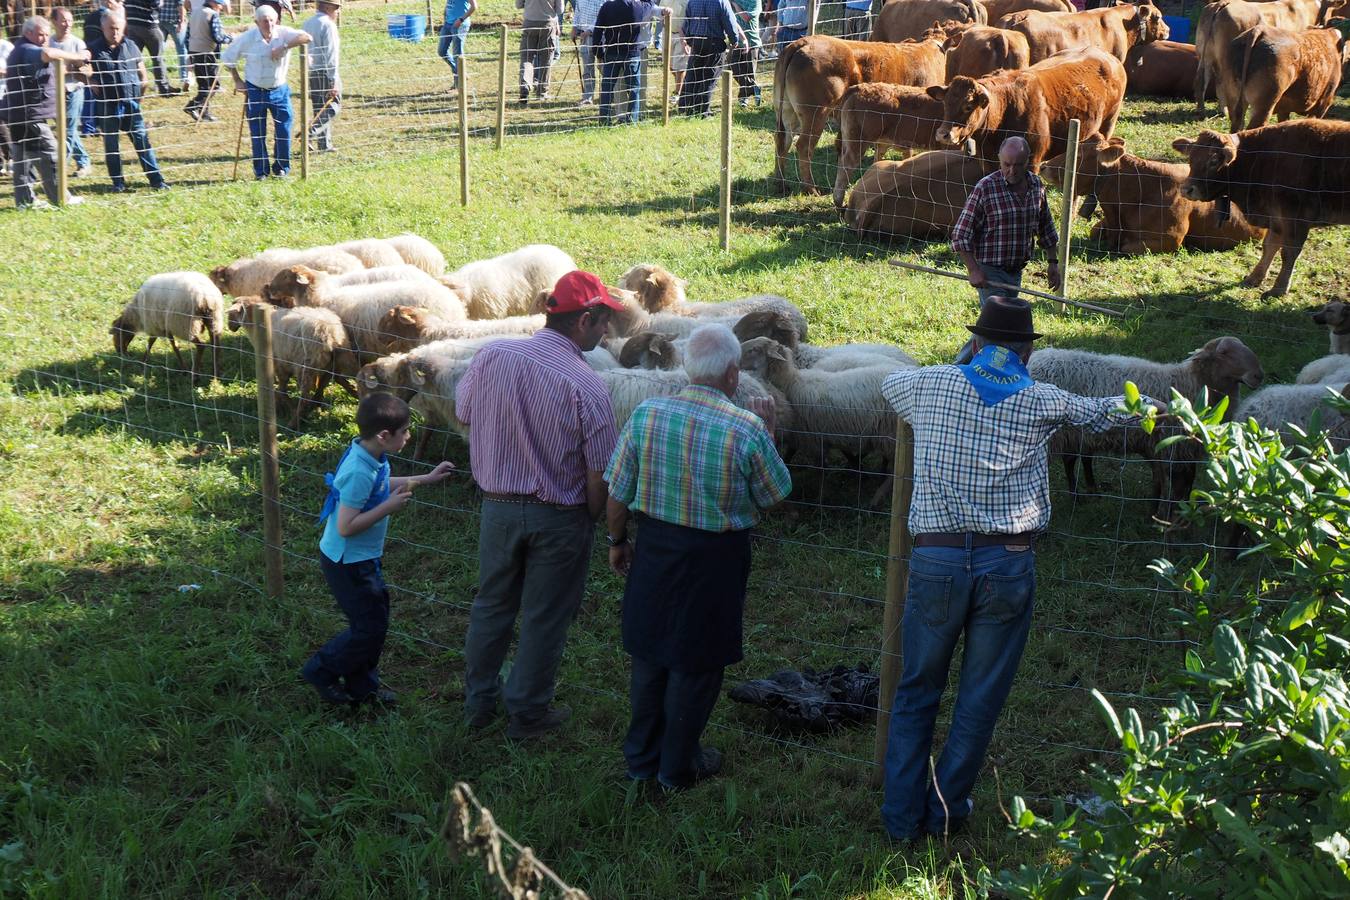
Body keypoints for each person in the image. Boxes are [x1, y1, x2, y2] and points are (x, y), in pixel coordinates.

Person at [877, 296, 1155, 842]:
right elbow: (1106, 412)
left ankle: (901, 820)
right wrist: (1149, 401)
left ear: (975, 344)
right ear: (1028, 352)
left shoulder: (929, 385)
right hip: (1006, 562)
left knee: (916, 689)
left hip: (935, 557)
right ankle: (946, 807)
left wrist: (961, 371)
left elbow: (890, 387)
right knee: (980, 695)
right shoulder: (1042, 399)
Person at [605, 323, 791, 790]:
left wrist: (617, 540)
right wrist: (768, 433)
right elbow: (774, 494)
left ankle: (640, 761)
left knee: (649, 651)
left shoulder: (646, 415)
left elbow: (618, 489)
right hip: (714, 558)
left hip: (656, 548)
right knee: (698, 660)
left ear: (689, 368)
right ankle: (678, 766)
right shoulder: (745, 427)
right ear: (732, 374)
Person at [454, 270, 624, 741]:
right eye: (604, 321)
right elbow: (599, 472)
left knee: (491, 605)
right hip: (559, 517)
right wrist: (588, 518)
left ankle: (479, 702)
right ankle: (527, 715)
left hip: (498, 508)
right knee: (545, 616)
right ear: (584, 319)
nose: (607, 331)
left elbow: (465, 412)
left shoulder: (492, 356)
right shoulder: (586, 384)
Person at [302, 392, 456, 706]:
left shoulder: (369, 455)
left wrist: (424, 479)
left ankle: (363, 690)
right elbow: (346, 526)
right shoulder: (359, 470)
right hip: (348, 562)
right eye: (405, 431)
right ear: (384, 436)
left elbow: (381, 483)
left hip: (360, 558)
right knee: (368, 628)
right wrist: (388, 508)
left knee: (373, 624)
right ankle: (321, 670)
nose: (409, 435)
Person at [950, 135, 1060, 363]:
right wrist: (973, 269)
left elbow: (1046, 226)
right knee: (995, 326)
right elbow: (961, 234)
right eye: (1006, 165)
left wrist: (1053, 263)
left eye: (1017, 165)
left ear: (1028, 162)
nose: (1011, 171)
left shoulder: (1036, 186)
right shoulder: (986, 188)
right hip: (990, 270)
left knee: (998, 325)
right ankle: (961, 367)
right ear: (999, 160)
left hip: (1015, 271)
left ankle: (992, 366)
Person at [4, 15, 90, 208]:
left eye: (46, 34)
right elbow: (49, 54)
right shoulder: (27, 49)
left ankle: (25, 201)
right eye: (41, 35)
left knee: (23, 159)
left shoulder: (21, 48)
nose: (44, 38)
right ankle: (61, 198)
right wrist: (79, 56)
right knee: (51, 154)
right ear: (28, 33)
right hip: (31, 116)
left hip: (19, 114)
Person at [221, 4, 310, 179]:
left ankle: (282, 167)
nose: (268, 24)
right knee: (258, 132)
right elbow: (228, 58)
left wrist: (283, 46)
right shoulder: (247, 38)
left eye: (271, 20)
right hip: (255, 90)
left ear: (276, 20)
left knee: (284, 130)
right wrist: (237, 80)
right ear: (256, 22)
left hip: (280, 89)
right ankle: (261, 171)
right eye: (264, 21)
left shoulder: (283, 32)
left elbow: (306, 37)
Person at [89, 7, 167, 191]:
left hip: (131, 103)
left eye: (117, 28)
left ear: (123, 26)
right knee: (111, 145)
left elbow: (142, 73)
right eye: (111, 28)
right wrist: (90, 81)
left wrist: (141, 90)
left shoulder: (131, 45)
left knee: (142, 141)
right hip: (108, 105)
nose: (115, 32)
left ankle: (157, 181)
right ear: (103, 28)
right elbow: (76, 69)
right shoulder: (93, 49)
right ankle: (118, 183)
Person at [594, 0, 664, 124]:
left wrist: (599, 53)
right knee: (634, 89)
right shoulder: (640, 7)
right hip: (631, 53)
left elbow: (598, 30)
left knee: (607, 88)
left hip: (611, 52)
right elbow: (651, 5)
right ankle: (632, 120)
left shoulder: (607, 6)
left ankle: (604, 120)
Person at [678, 0, 743, 116]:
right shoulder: (721, 1)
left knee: (693, 75)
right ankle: (702, 110)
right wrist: (734, 39)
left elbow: (687, 21)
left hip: (697, 41)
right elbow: (729, 20)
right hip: (714, 42)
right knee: (710, 76)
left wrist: (689, 40)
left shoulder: (693, 1)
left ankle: (685, 107)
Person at [48, 7, 90, 177]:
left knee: (69, 130)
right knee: (65, 129)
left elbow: (85, 68)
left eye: (70, 20)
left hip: (74, 90)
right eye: (64, 20)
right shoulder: (48, 42)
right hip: (52, 92)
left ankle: (58, 169)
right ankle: (84, 162)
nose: (68, 24)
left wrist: (69, 70)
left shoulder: (77, 43)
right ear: (54, 22)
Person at [184, 0, 230, 121]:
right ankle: (192, 106)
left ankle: (204, 113)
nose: (220, 6)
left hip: (194, 51)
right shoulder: (212, 14)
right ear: (213, 2)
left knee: (203, 84)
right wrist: (230, 39)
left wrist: (190, 50)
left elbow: (187, 36)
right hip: (206, 53)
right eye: (219, 3)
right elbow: (218, 36)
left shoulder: (194, 13)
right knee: (213, 85)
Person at [302, 0, 339, 152]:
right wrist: (333, 79)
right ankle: (309, 133)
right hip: (325, 71)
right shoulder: (328, 25)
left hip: (312, 71)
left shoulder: (307, 23)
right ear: (328, 7)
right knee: (333, 105)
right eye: (336, 8)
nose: (338, 12)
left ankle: (324, 144)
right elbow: (331, 54)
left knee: (319, 108)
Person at [516, 0, 562, 104]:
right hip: (548, 24)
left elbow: (518, 5)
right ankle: (542, 92)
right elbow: (560, 9)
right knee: (546, 59)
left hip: (529, 23)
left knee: (527, 57)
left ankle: (525, 86)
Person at [124, 0, 174, 94]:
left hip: (131, 25)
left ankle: (131, 85)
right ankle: (164, 87)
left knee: (133, 59)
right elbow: (157, 5)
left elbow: (124, 5)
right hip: (149, 26)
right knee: (158, 58)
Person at [436, 0, 475, 89]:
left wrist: (461, 20)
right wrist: (445, 15)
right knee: (442, 51)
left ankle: (458, 85)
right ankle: (461, 72)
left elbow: (474, 7)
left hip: (459, 25)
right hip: (448, 24)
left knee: (457, 55)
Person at [729, 0, 759, 106]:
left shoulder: (755, 2)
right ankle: (753, 87)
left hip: (752, 41)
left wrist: (735, 5)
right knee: (734, 68)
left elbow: (746, 18)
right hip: (737, 41)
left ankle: (743, 98)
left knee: (749, 72)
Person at [572, 0, 601, 107]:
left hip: (601, 36)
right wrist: (574, 28)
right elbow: (578, 13)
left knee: (603, 67)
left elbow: (602, 16)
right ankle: (588, 97)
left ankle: (608, 95)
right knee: (587, 69)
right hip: (584, 37)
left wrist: (589, 31)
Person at [0, 34, 13, 175]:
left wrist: (2, 72)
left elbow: (16, 68)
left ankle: (11, 158)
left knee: (2, 128)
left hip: (3, 93)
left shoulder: (7, 47)